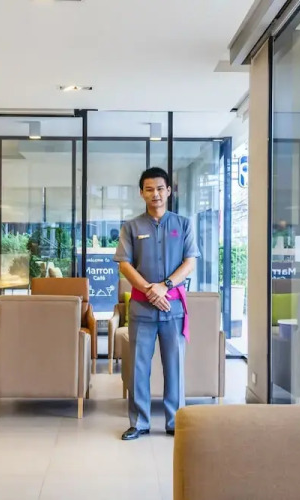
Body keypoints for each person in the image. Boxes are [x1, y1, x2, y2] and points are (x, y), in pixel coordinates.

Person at [113, 167, 199, 440]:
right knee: (139, 367)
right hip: (142, 309)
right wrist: (150, 290)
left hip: (173, 309)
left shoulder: (183, 225)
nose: (155, 194)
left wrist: (165, 286)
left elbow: (190, 262)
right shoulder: (131, 227)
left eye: (160, 189)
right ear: (141, 193)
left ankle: (175, 422)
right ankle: (139, 422)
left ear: (169, 191)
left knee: (174, 367)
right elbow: (124, 265)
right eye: (149, 189)